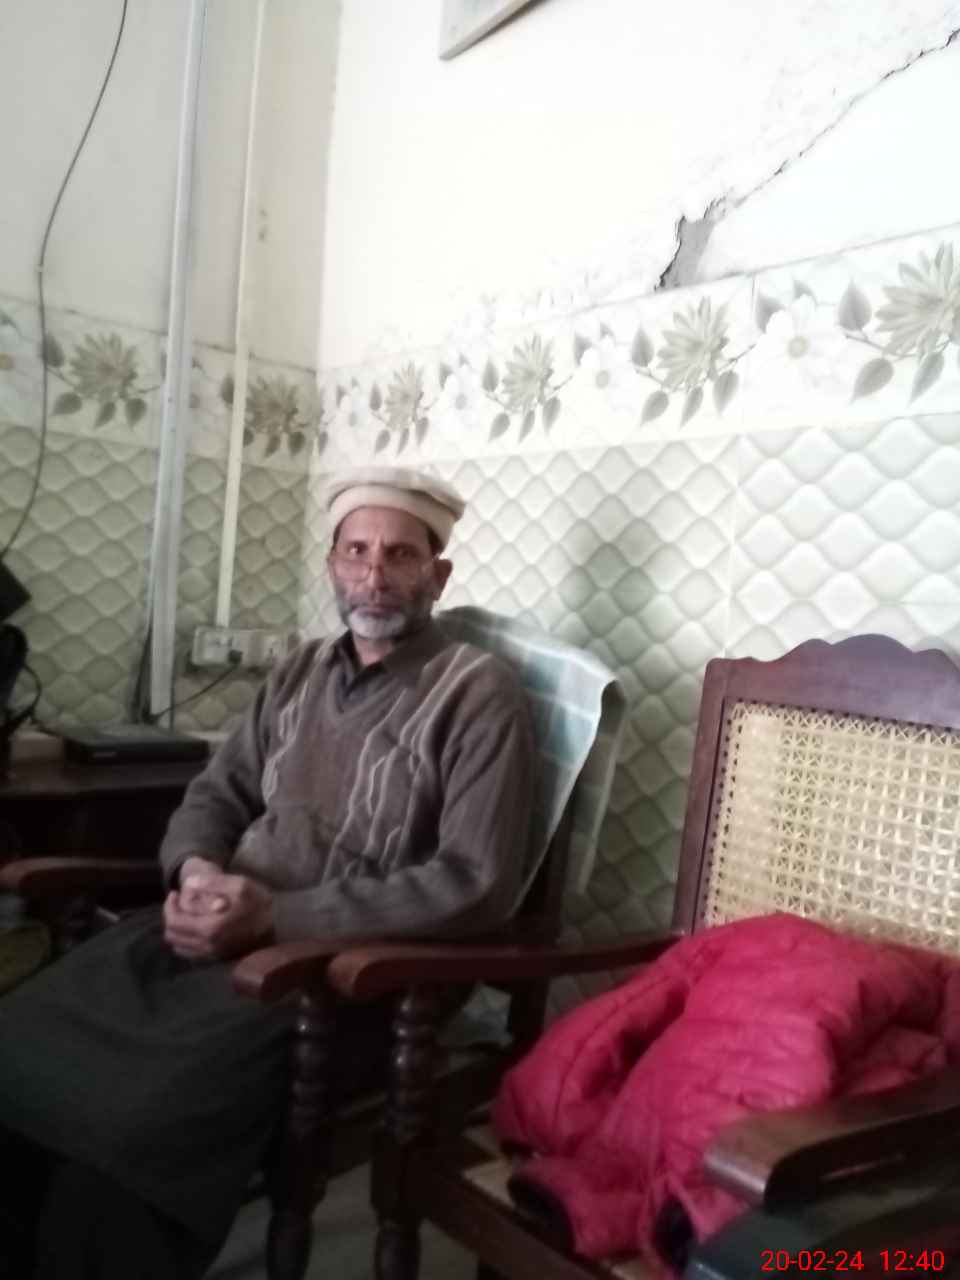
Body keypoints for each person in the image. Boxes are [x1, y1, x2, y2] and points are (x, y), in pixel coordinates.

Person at [0, 465, 535, 1280]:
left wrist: (278, 918)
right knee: (22, 1041)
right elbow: (218, 792)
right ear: (332, 565)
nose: (374, 574)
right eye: (356, 551)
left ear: (439, 574)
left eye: (400, 554)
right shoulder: (298, 670)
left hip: (340, 973)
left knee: (136, 1123)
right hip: (210, 928)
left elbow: (475, 880)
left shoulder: (478, 692)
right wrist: (193, 873)